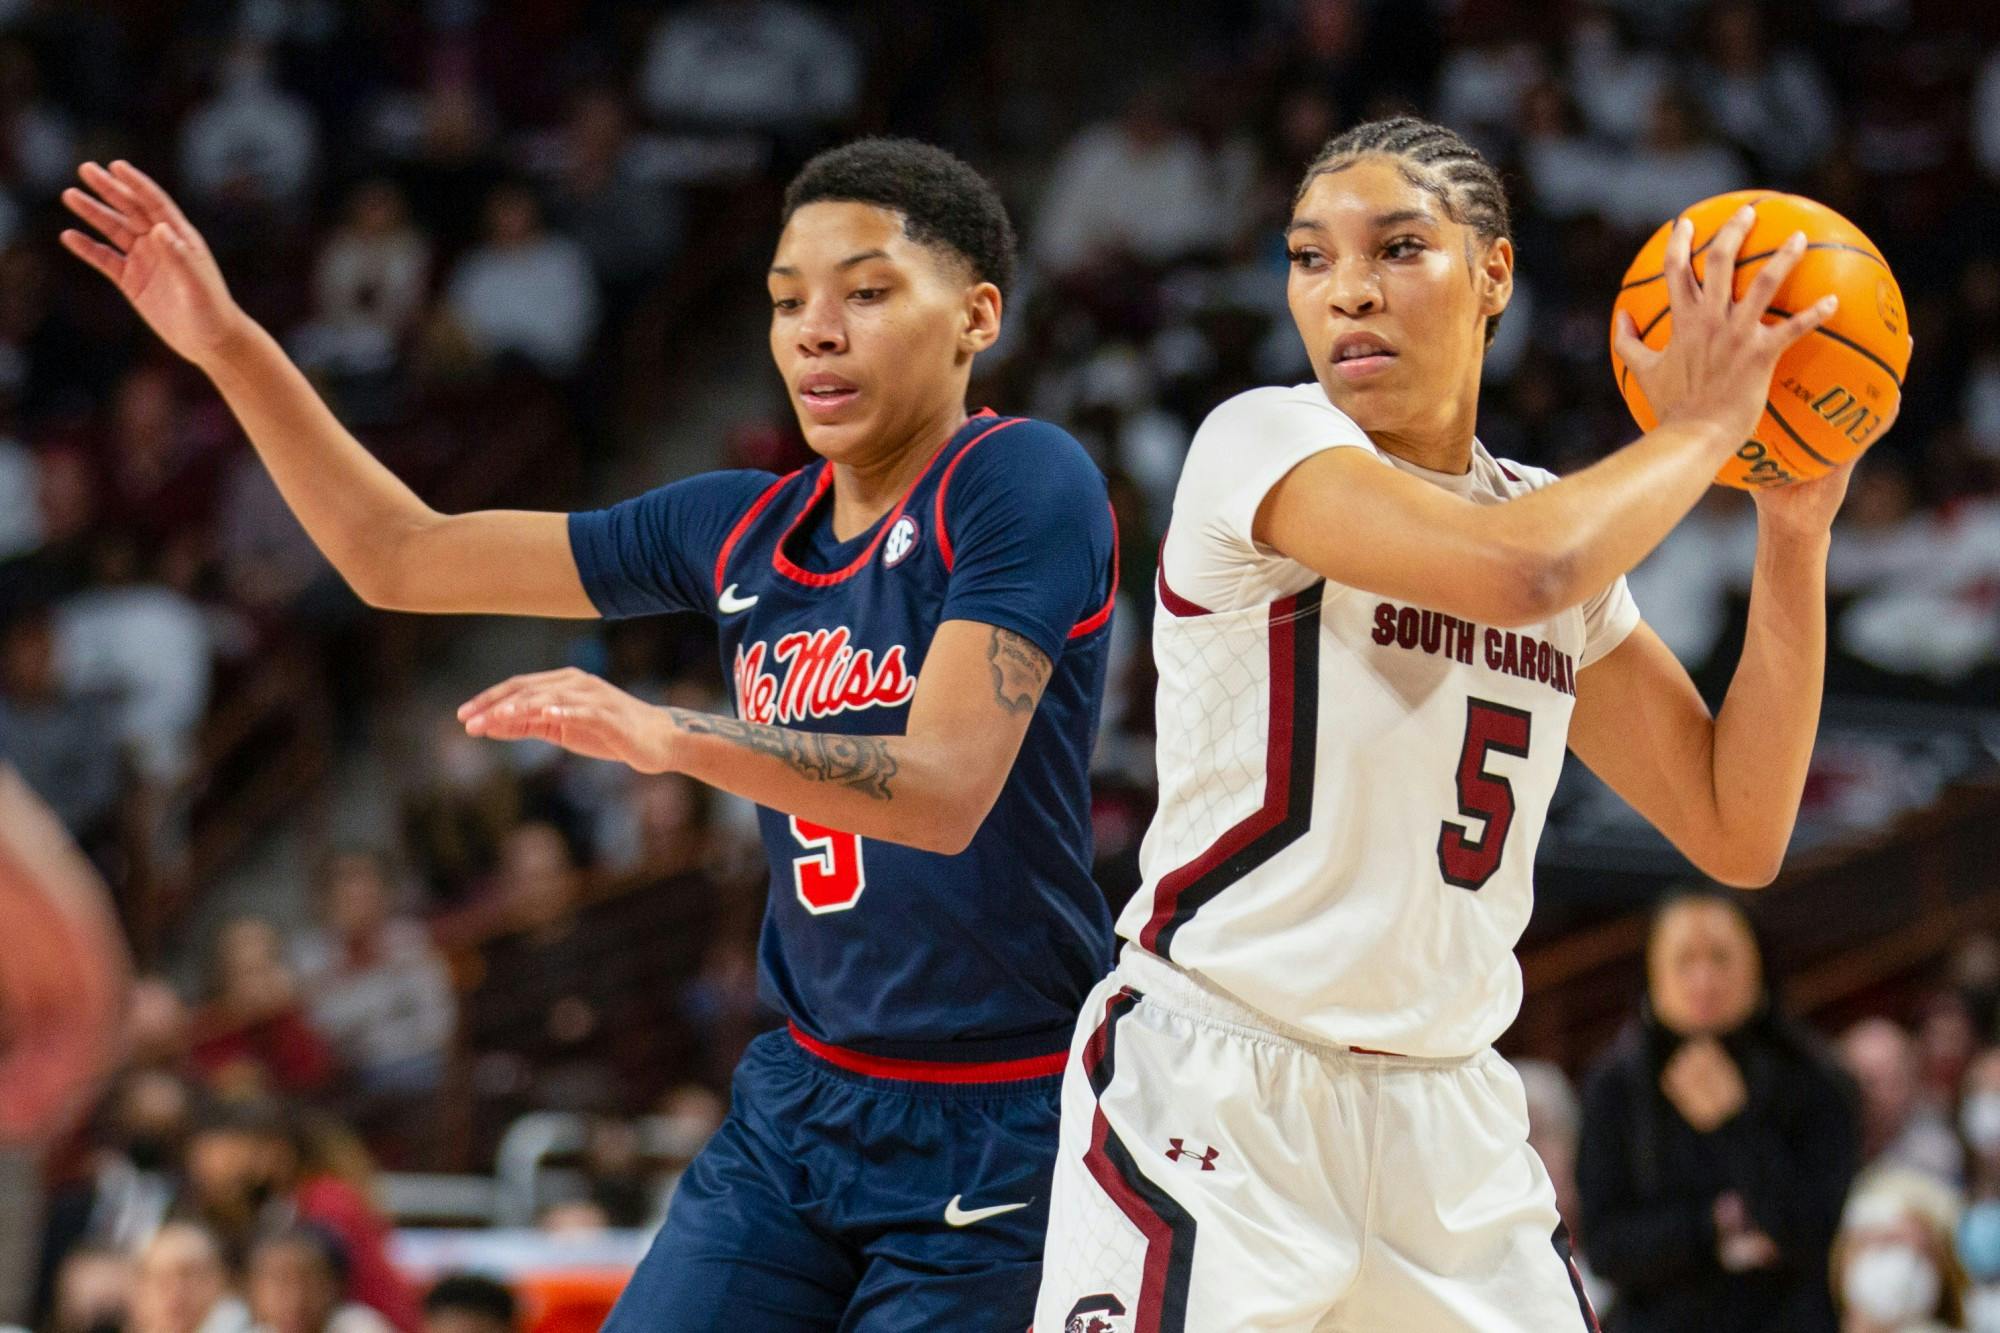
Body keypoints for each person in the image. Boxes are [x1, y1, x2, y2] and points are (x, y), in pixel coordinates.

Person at [61, 137, 1116, 1331]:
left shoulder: (1018, 479)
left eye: (865, 292)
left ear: (976, 316)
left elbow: (944, 786)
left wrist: (671, 736)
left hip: (999, 1110)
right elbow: (400, 555)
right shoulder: (736, 526)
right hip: (803, 1101)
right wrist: (228, 345)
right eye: (786, 301)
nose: (815, 331)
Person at [1034, 113, 1858, 1333]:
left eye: (1396, 247)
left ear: (1493, 274)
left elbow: (1737, 827)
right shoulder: (1260, 441)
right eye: (1308, 257)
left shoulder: (1540, 515)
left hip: (1445, 1119)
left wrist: (1792, 532)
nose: (1346, 290)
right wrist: (1702, 425)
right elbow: (1521, 571)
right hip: (1218, 1088)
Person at [1577, 889, 1860, 1332]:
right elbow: (1605, 1247)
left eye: (1721, 958)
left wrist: (1734, 1123)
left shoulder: (1815, 1077)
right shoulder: (1614, 1087)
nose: (1704, 981)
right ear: (1653, 970)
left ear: (1757, 963)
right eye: (1684, 960)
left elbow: (1818, 1230)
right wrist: (1711, 1227)